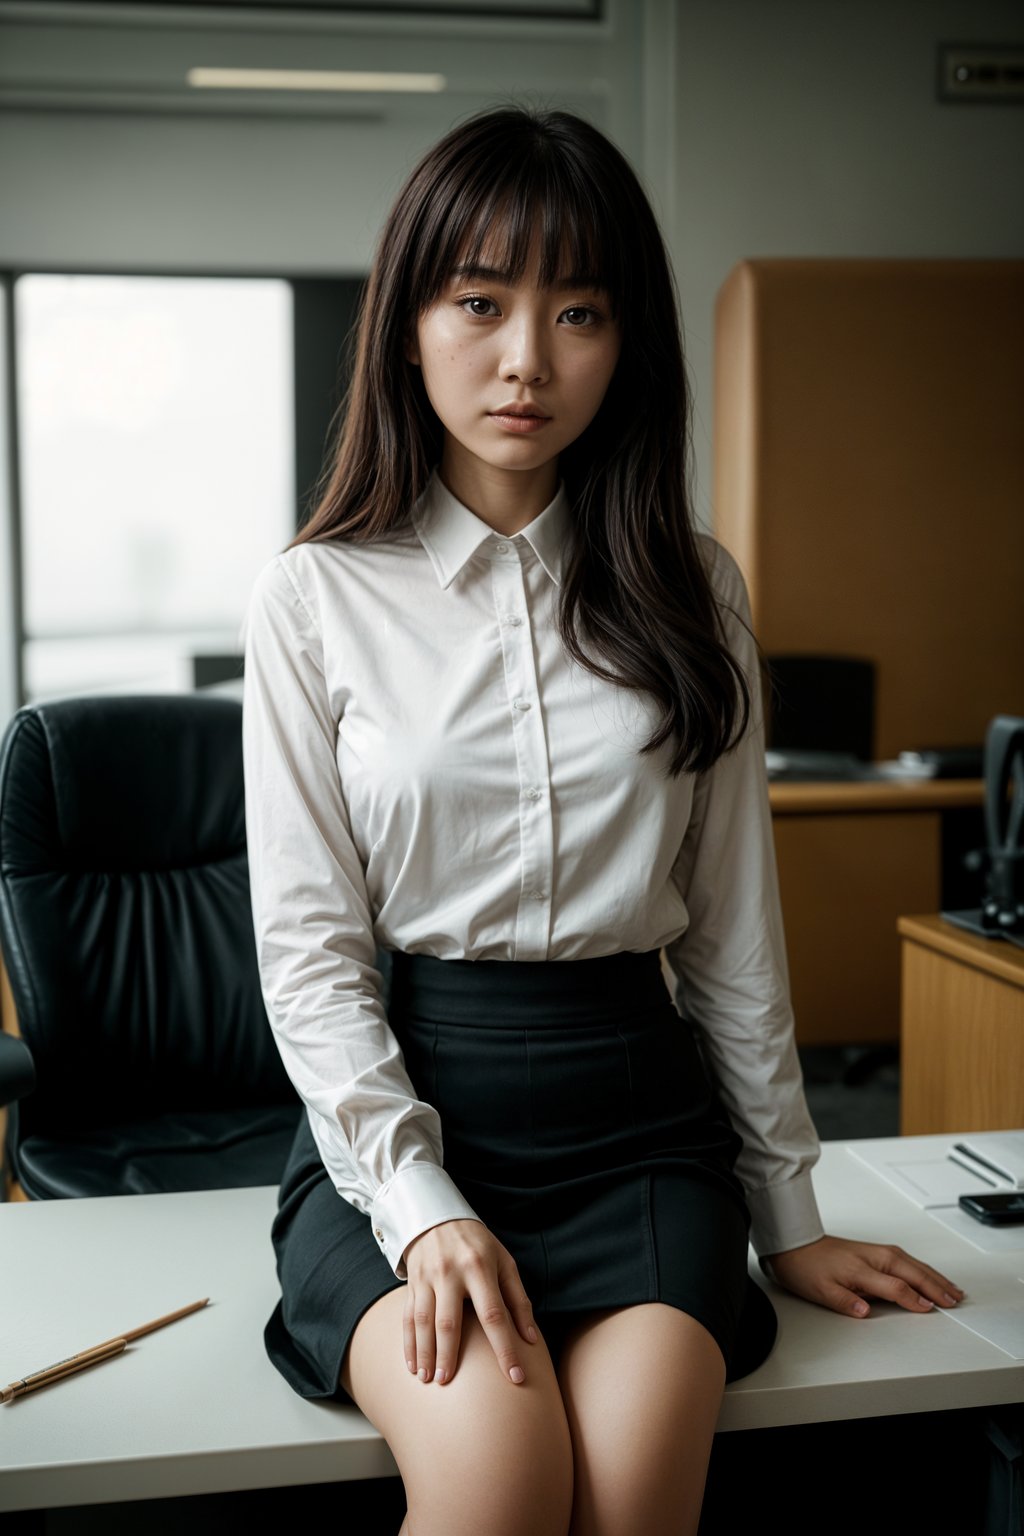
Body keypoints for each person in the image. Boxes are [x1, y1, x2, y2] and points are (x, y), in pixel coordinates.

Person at [240, 105, 964, 1536]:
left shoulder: (697, 591)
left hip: (639, 1130)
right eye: (480, 301)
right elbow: (308, 954)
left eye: (578, 310)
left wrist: (792, 1221)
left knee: (634, 1499)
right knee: (500, 1486)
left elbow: (737, 946)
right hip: (406, 1122)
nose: (527, 359)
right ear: (408, 324)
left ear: (628, 341)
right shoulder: (314, 599)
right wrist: (422, 1203)